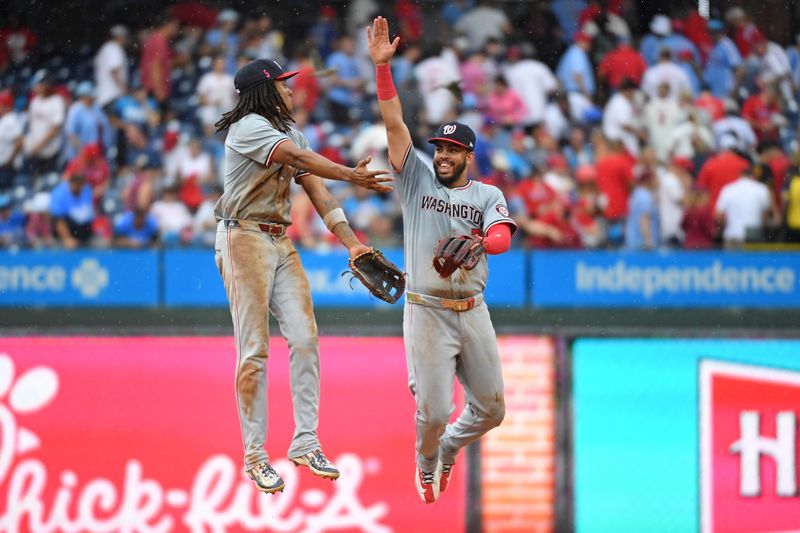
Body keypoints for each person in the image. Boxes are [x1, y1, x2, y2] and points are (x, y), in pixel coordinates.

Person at [212, 58, 392, 494]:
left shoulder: (291, 131)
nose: (291, 90)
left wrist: (350, 241)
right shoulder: (249, 127)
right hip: (243, 238)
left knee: (306, 338)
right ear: (264, 90)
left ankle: (305, 440)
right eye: (283, 84)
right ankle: (255, 455)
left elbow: (315, 189)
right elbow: (294, 158)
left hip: (278, 238)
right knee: (254, 350)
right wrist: (352, 173)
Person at [367, 16, 515, 504]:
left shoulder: (487, 193)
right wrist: (382, 71)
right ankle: (427, 458)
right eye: (440, 148)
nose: (444, 155)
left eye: (453, 149)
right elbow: (393, 121)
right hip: (426, 309)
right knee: (431, 412)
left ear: (468, 155)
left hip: (472, 311)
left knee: (492, 410)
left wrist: (481, 243)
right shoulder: (417, 180)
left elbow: (501, 238)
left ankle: (449, 447)